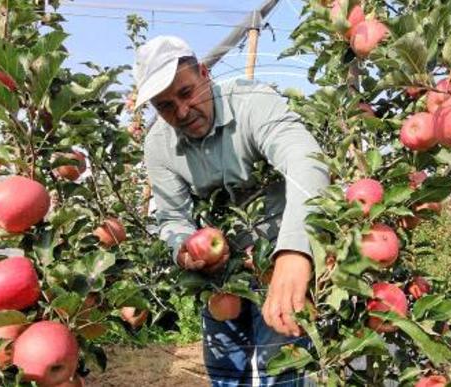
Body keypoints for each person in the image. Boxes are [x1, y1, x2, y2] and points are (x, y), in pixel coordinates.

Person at [136, 36, 329, 386]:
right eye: (164, 106)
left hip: (277, 263)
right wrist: (183, 251)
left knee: (282, 372)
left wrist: (295, 251)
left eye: (186, 93)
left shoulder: (252, 102)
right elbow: (171, 218)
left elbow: (305, 161)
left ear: (205, 74)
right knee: (226, 372)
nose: (181, 112)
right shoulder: (159, 145)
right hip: (220, 276)